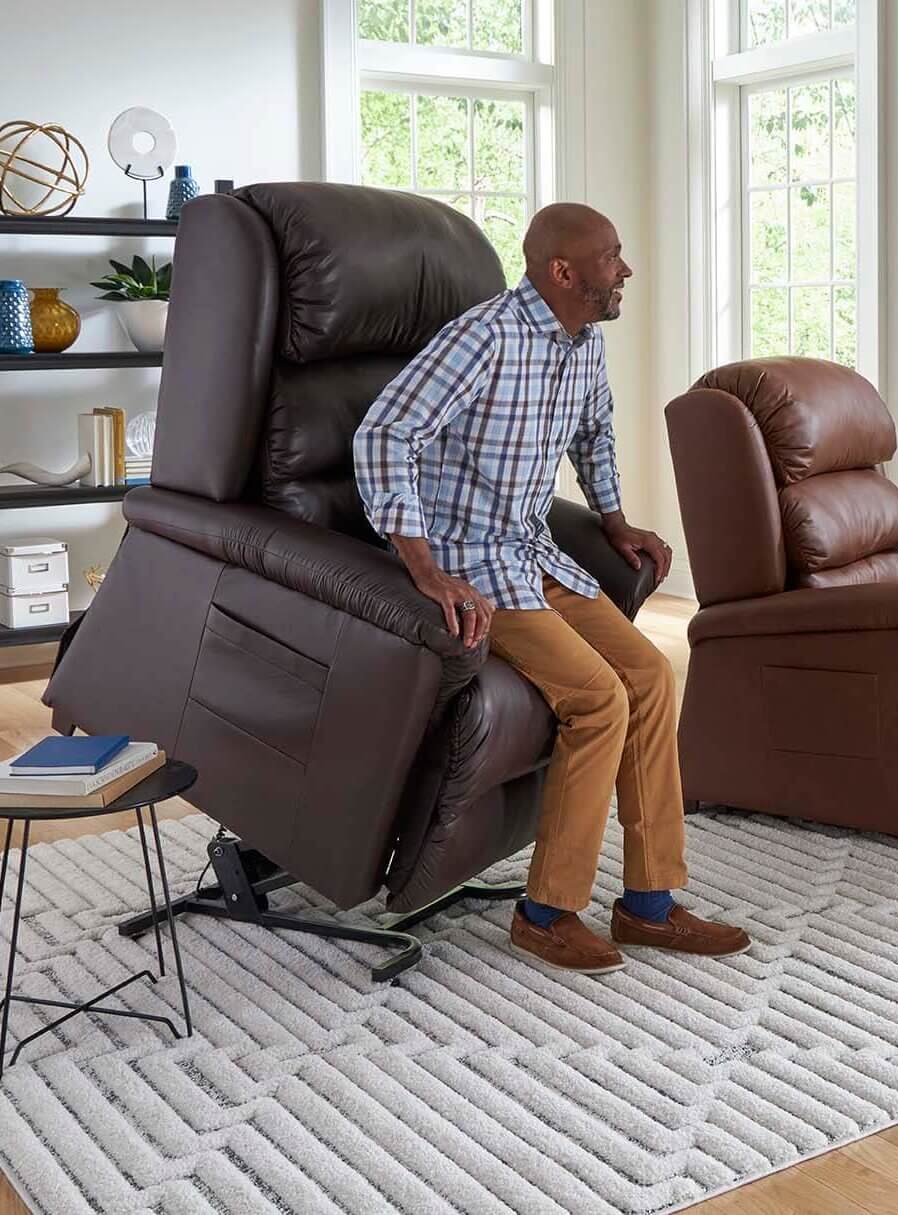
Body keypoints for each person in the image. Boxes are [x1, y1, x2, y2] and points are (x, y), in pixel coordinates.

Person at [354, 203, 750, 972]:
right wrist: (422, 565)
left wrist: (615, 520)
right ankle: (545, 912)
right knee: (597, 697)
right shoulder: (484, 337)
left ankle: (649, 903)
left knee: (648, 675)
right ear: (562, 271)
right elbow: (384, 432)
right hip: (471, 567)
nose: (624, 270)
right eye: (611, 257)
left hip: (533, 552)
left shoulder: (584, 341)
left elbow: (593, 430)